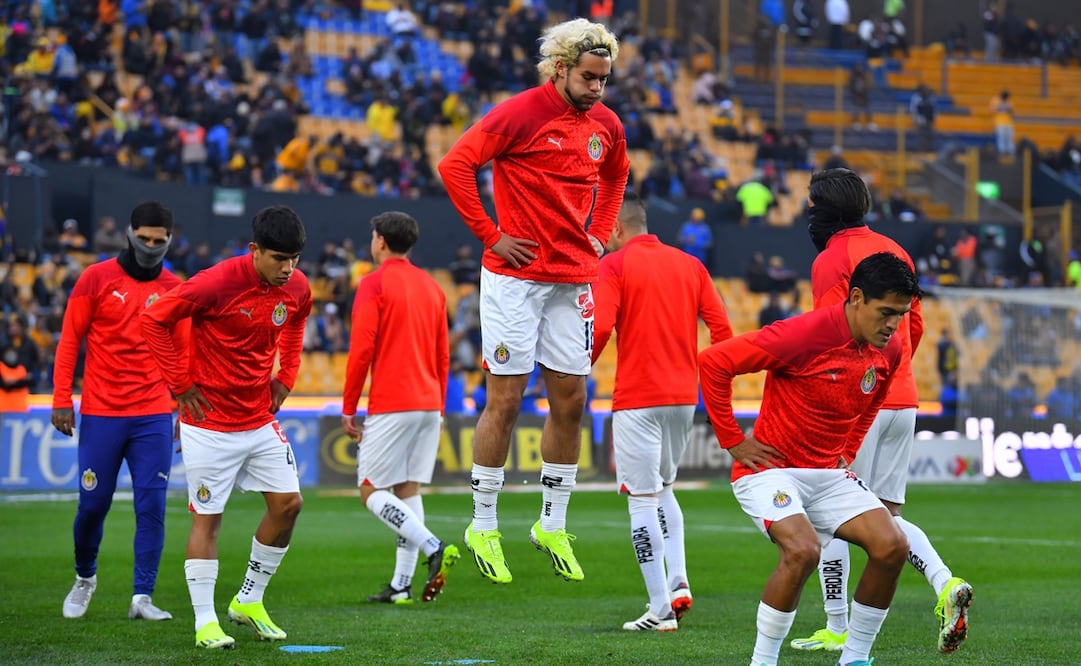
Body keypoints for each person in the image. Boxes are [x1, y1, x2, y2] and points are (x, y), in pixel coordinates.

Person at [437, 17, 629, 585]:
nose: (597, 89)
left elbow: (617, 177)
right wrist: (492, 236)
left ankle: (552, 523)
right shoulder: (519, 114)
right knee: (506, 399)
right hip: (515, 280)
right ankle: (483, 524)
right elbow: (454, 165)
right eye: (589, 78)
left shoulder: (607, 124)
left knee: (572, 401)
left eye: (604, 79)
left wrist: (601, 232)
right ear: (561, 69)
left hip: (574, 278)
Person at [699, 251, 921, 666]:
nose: (893, 325)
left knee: (892, 546)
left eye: (901, 315)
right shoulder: (802, 335)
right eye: (886, 312)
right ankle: (762, 662)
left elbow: (875, 399)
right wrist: (732, 440)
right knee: (803, 551)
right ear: (857, 298)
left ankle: (854, 658)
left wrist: (848, 450)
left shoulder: (889, 349)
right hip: (770, 471)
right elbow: (714, 362)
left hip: (828, 475)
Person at [792, 168, 972, 655]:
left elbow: (833, 332)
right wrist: (892, 375)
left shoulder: (832, 259)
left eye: (813, 205)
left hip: (859, 402)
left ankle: (838, 626)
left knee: (830, 512)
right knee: (884, 520)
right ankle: (946, 585)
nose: (809, 213)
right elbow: (915, 324)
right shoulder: (896, 249)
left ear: (828, 209)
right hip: (902, 397)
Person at [140, 206, 312, 650]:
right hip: (209, 423)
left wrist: (287, 376)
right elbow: (153, 320)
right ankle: (205, 623)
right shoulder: (214, 283)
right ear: (254, 250)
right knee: (208, 520)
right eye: (279, 258)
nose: (288, 268)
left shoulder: (297, 286)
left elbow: (296, 322)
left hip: (258, 417)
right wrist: (180, 384)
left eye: (294, 259)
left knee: (289, 505)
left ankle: (249, 599)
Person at [592, 194, 732, 631]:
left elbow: (601, 325)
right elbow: (723, 330)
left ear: (617, 228)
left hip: (638, 397)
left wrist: (577, 367)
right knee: (665, 488)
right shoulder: (691, 265)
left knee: (642, 500)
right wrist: (713, 385)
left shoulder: (614, 265)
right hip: (683, 397)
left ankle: (660, 610)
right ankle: (678, 580)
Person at [52, 201, 186, 621]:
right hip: (101, 413)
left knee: (152, 508)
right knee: (92, 507)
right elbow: (70, 339)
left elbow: (184, 353)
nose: (150, 246)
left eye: (158, 241)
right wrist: (61, 398)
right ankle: (84, 578)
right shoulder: (95, 278)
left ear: (169, 240)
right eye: (143, 238)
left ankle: (142, 596)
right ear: (129, 234)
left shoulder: (176, 288)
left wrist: (185, 408)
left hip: (153, 415)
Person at [340, 212, 460, 605]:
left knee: (370, 491)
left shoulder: (373, 284)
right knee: (408, 489)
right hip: (428, 403)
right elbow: (443, 355)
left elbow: (362, 350)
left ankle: (433, 546)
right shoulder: (433, 287)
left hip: (393, 402)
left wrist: (348, 406)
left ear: (379, 241)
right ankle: (401, 585)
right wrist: (439, 408)